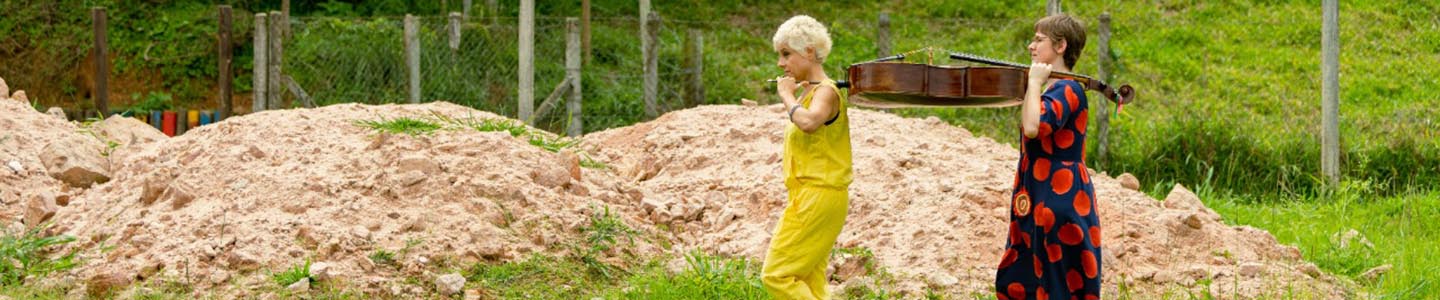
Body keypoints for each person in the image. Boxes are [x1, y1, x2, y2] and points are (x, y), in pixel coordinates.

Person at [994, 14, 1102, 300]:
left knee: (1057, 283)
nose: (1031, 46)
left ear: (1061, 46)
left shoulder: (1068, 88)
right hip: (1039, 191)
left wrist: (1033, 84)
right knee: (1025, 276)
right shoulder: (1053, 88)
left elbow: (1033, 127)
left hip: (1058, 195)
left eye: (1039, 40)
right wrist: (1035, 85)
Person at [761, 15, 852, 300]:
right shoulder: (810, 93)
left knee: (777, 275)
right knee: (810, 279)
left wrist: (786, 96)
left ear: (809, 52)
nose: (781, 63)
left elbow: (810, 122)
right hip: (809, 195)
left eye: (786, 54)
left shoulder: (826, 91)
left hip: (819, 195)